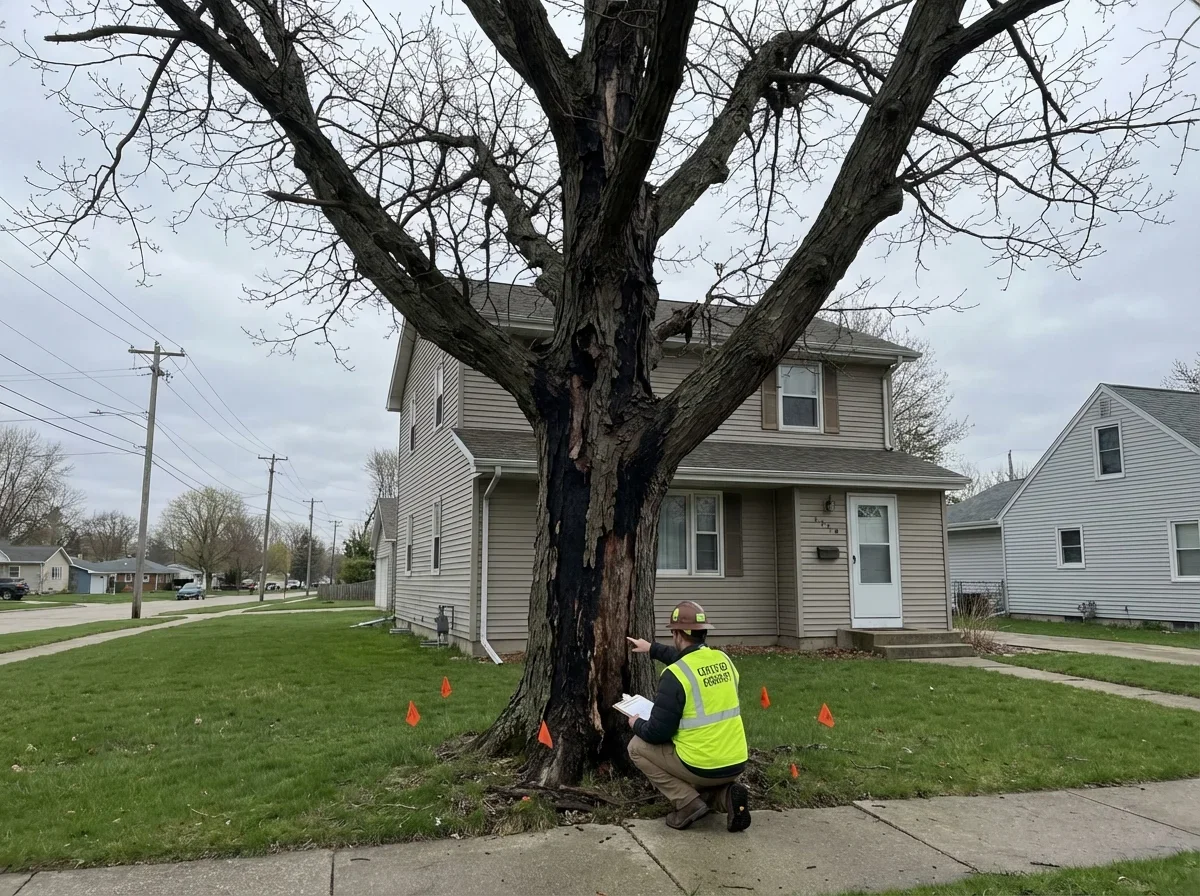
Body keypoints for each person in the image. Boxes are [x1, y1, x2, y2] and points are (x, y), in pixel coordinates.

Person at [625, 600, 751, 832]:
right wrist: (652, 648)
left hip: (701, 765)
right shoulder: (724, 661)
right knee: (700, 771)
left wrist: (636, 723)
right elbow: (690, 661)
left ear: (676, 633)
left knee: (636, 746)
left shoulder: (674, 676)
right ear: (703, 632)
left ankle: (687, 804)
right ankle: (727, 796)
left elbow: (657, 732)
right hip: (736, 761)